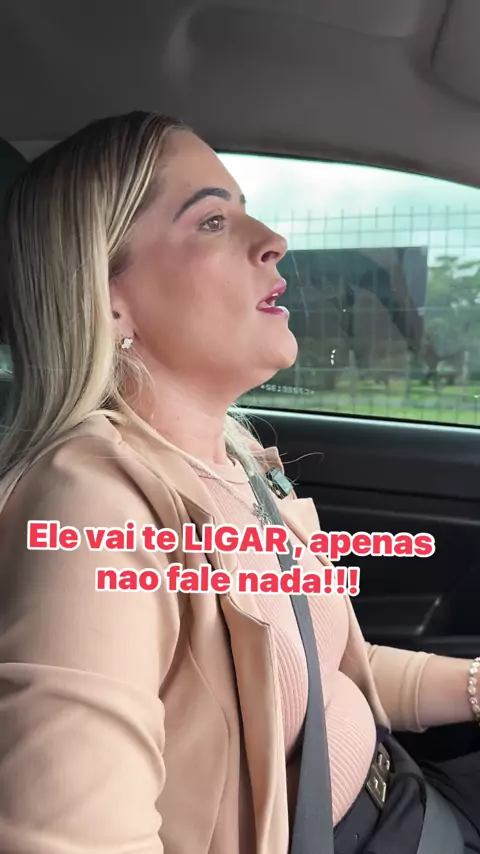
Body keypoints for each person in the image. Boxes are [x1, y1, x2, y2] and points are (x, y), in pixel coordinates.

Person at [0, 111, 479, 854]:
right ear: (109, 294)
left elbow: (325, 675)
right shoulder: (92, 505)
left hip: (405, 797)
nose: (273, 240)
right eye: (212, 220)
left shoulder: (239, 463)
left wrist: (474, 685)